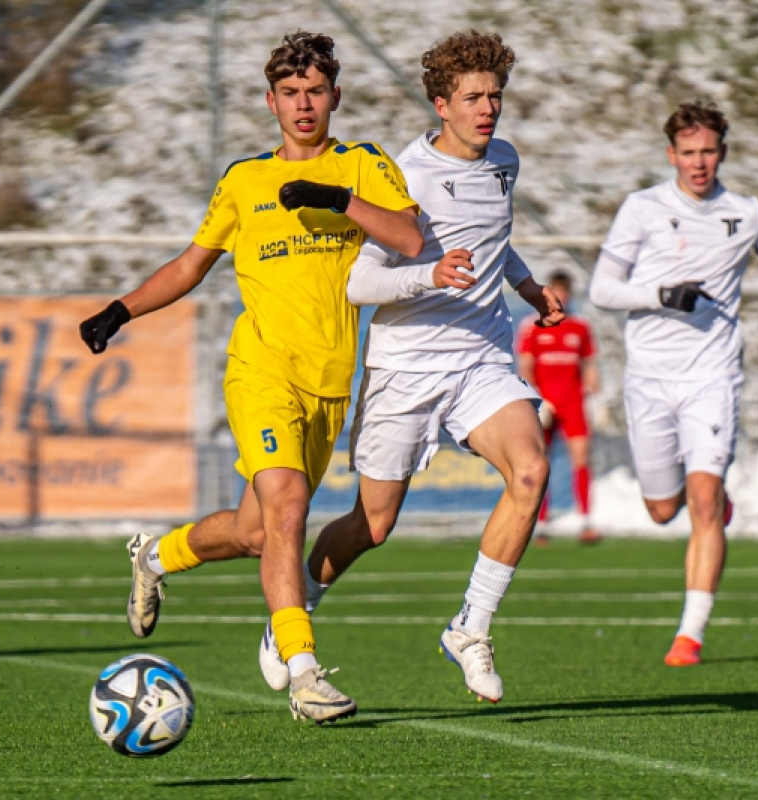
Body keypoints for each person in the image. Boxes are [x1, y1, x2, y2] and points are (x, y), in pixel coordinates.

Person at [79, 31, 423, 723]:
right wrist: (121, 309)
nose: (304, 104)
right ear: (270, 102)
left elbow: (411, 239)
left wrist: (335, 197)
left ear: (335, 97)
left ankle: (156, 555)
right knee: (289, 506)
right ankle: (304, 673)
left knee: (257, 532)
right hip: (260, 368)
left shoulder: (363, 165)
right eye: (291, 93)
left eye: (316, 91)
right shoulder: (244, 180)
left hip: (329, 383)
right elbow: (189, 264)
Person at [256, 29, 564, 703]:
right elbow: (361, 284)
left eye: (496, 96)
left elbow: (495, 240)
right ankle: (294, 609)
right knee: (373, 524)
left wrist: (529, 287)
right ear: (439, 104)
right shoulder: (405, 175)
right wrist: (429, 276)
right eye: (473, 97)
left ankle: (470, 627)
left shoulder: (505, 160)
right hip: (406, 366)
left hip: (480, 357)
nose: (488, 109)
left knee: (532, 469)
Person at [588, 101, 758, 667]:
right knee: (664, 509)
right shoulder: (642, 209)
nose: (699, 162)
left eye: (708, 151)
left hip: (713, 375)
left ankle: (689, 634)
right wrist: (661, 295)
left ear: (723, 153)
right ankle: (709, 497)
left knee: (704, 500)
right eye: (688, 152)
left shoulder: (747, 211)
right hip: (650, 379)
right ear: (672, 155)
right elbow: (603, 290)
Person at [517, 269, 601, 545]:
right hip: (545, 404)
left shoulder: (580, 327)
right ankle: (541, 524)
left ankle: (586, 521)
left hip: (573, 402)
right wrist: (536, 398)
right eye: (557, 291)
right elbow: (525, 366)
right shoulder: (532, 326)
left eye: (565, 292)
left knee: (582, 458)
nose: (561, 296)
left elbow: (588, 366)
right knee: (540, 462)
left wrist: (595, 392)